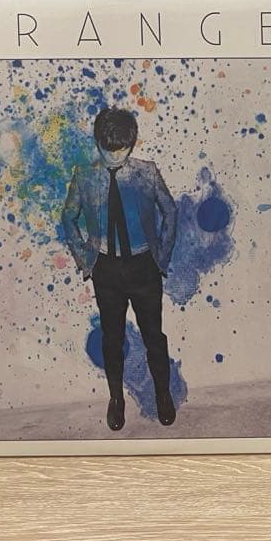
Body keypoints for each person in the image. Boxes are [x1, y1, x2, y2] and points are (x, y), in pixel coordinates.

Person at [61, 107, 179, 431]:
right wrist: (86, 258)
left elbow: (170, 212)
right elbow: (68, 217)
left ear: (132, 143)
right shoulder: (84, 177)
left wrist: (161, 257)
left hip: (144, 267)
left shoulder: (146, 172)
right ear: (97, 143)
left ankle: (162, 392)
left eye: (122, 149)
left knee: (154, 335)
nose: (115, 156)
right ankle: (116, 398)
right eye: (108, 149)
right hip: (106, 270)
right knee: (111, 338)